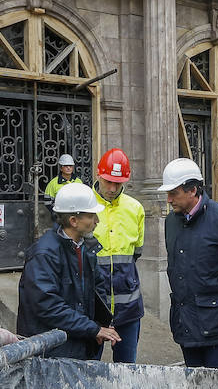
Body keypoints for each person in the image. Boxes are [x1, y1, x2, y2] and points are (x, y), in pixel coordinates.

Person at [160, 157, 218, 369]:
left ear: (192, 190)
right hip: (186, 326)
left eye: (173, 193)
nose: (168, 199)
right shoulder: (171, 222)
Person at [17, 182, 120, 360]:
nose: (97, 221)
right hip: (52, 353)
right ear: (73, 221)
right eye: (92, 216)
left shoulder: (86, 248)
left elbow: (97, 290)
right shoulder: (44, 254)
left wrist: (98, 325)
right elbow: (48, 305)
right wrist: (92, 329)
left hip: (79, 346)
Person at [92, 147, 146, 363]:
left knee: (126, 370)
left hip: (128, 309)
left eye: (118, 183)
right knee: (85, 369)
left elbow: (136, 253)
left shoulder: (135, 209)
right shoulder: (84, 204)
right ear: (98, 175)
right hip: (92, 309)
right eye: (108, 182)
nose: (113, 188)